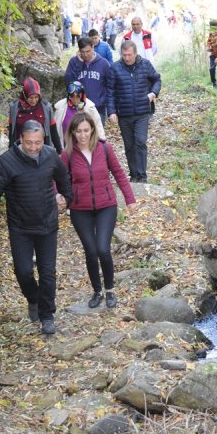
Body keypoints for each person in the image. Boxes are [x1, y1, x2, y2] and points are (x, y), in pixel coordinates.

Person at [0, 120, 72, 335]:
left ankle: (47, 315)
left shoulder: (50, 156)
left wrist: (66, 197)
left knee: (48, 273)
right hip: (20, 227)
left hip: (47, 224)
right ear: (21, 138)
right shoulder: (7, 161)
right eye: (29, 143)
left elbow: (64, 179)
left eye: (37, 143)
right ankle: (33, 298)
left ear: (43, 139)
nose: (33, 147)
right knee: (24, 271)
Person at [60, 113, 135, 309]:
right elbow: (56, 179)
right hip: (80, 209)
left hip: (106, 206)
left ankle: (110, 290)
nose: (82, 135)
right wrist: (59, 197)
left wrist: (130, 199)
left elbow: (119, 173)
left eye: (86, 130)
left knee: (103, 248)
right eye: (78, 131)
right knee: (91, 251)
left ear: (92, 129)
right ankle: (97, 291)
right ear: (73, 132)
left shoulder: (104, 148)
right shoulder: (67, 154)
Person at [106, 40, 161, 183]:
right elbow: (110, 92)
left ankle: (142, 176)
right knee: (129, 146)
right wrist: (111, 111)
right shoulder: (115, 68)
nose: (127, 58)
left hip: (142, 112)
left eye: (129, 55)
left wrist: (153, 93)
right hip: (124, 113)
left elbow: (157, 79)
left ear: (135, 53)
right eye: (124, 55)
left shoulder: (146, 65)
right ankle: (134, 174)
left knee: (140, 142)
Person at [64, 37, 110, 126]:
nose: (85, 55)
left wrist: (105, 103)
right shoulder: (74, 62)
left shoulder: (103, 63)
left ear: (93, 47)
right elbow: (69, 82)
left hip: (98, 108)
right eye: (82, 52)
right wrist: (79, 64)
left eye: (88, 51)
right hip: (78, 108)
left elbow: (110, 85)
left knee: (98, 137)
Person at [8, 77, 61, 153]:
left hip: (42, 151)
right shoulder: (15, 107)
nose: (34, 100)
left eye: (36, 97)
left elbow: (53, 131)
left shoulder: (46, 108)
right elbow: (11, 132)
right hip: (21, 150)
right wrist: (10, 151)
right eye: (31, 97)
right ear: (25, 95)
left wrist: (59, 151)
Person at [53, 81, 105, 151]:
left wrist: (102, 144)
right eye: (72, 96)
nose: (75, 99)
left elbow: (98, 126)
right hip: (66, 148)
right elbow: (55, 129)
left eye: (77, 96)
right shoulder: (60, 106)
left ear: (82, 94)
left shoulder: (90, 107)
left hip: (86, 147)